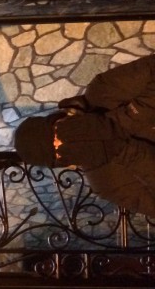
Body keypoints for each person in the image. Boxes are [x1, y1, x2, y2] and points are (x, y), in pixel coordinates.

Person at [14, 54, 155, 218]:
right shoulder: (105, 181)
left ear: (59, 119)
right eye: (58, 151)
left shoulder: (101, 93)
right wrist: (124, 151)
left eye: (58, 133)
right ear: (63, 162)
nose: (63, 142)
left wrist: (118, 123)